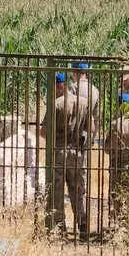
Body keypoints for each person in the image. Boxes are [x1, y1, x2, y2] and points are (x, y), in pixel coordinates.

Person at [39, 73, 94, 240]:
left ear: (60, 86)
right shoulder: (84, 103)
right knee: (77, 190)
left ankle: (59, 228)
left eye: (54, 87)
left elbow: (43, 132)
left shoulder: (56, 105)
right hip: (77, 152)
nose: (54, 91)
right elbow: (91, 128)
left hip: (60, 152)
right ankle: (82, 225)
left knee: (57, 190)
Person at [104, 93, 129, 225]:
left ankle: (115, 224)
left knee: (115, 195)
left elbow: (107, 147)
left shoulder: (114, 124)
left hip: (116, 164)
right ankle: (128, 223)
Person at [68, 62, 100, 161]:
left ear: (74, 72)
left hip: (73, 133)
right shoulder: (94, 90)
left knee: (71, 165)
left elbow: (67, 110)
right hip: (87, 132)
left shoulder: (73, 87)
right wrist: (93, 137)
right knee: (84, 166)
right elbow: (97, 117)